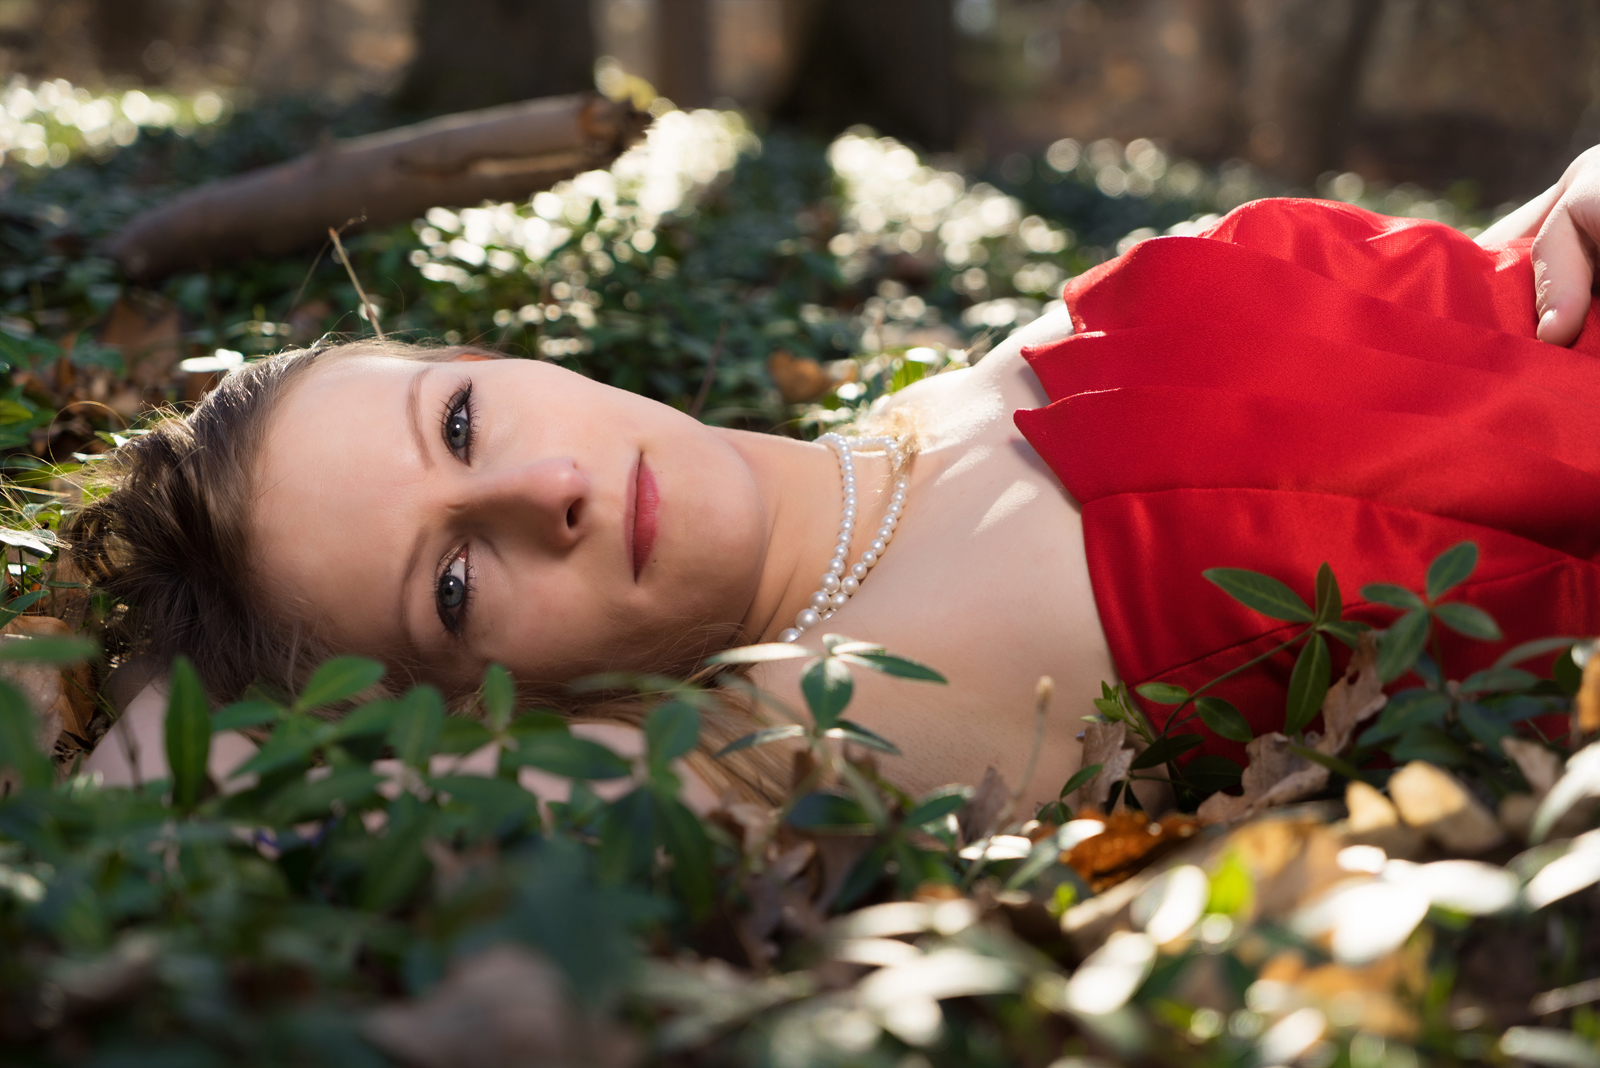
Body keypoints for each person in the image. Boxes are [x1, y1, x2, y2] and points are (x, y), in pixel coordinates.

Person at [69, 147, 1600, 809]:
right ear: (494, 713)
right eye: (456, 585)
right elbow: (202, 803)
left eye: (460, 424)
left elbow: (1477, 315)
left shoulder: (931, 415)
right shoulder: (832, 715)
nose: (549, 489)